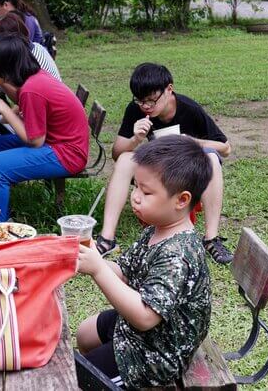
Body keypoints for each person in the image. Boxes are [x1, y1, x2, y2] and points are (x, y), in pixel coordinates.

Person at [76, 135, 212, 389]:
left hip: (155, 354)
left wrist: (97, 269)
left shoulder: (178, 254)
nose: (135, 197)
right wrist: (92, 255)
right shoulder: (156, 228)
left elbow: (145, 316)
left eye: (146, 191)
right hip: (139, 330)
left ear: (181, 200)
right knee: (85, 333)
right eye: (135, 186)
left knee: (76, 377)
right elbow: (125, 272)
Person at [96, 63, 233, 264]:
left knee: (211, 158)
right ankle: (107, 238)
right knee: (126, 159)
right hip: (157, 169)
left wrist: (194, 142)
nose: (146, 107)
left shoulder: (189, 109)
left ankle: (211, 238)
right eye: (141, 101)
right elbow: (117, 154)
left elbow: (225, 148)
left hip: (187, 171)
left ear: (169, 89)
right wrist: (135, 138)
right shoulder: (136, 110)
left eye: (152, 101)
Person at [0, 35, 88, 221]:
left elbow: (35, 141)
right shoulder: (34, 78)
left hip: (67, 154)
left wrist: (1, 106)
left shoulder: (33, 89)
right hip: (55, 142)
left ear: (5, 68)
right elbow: (20, 103)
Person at [0, 12, 62, 170]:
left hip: (53, 140)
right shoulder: (29, 55)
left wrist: (2, 99)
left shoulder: (31, 72)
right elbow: (24, 101)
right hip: (44, 126)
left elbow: (36, 139)